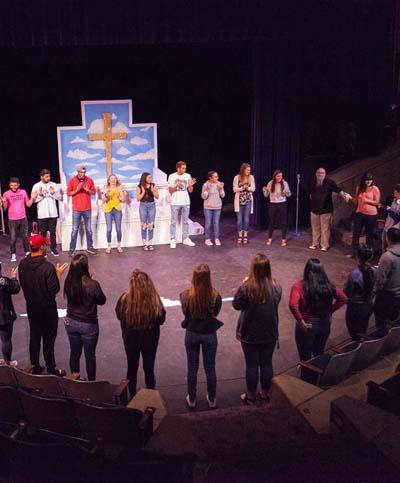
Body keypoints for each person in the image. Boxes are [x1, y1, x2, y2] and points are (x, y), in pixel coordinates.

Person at [232, 254, 281, 405]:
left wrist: (243, 285)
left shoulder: (247, 287)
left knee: (252, 365)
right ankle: (265, 394)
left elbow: (236, 305)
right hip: (269, 332)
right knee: (267, 363)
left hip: (250, 333)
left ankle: (251, 396)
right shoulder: (276, 287)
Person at [18, 234, 68, 375]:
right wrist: (58, 275)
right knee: (48, 340)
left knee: (34, 337)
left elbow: (22, 283)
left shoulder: (22, 264)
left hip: (32, 308)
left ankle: (34, 365)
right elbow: (53, 290)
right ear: (41, 247)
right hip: (47, 310)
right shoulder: (48, 267)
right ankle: (51, 368)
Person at [115, 270, 165, 397]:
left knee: (131, 368)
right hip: (150, 341)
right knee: (149, 368)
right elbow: (161, 319)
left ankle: (132, 396)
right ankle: (151, 397)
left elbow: (119, 315)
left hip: (130, 340)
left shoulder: (124, 299)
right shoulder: (154, 301)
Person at [180, 264, 222, 408]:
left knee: (192, 368)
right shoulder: (215, 296)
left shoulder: (185, 295)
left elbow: (185, 312)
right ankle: (212, 398)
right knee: (210, 368)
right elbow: (216, 313)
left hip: (192, 333)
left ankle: (191, 399)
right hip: (209, 334)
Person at [289, 258, 347, 361]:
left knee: (305, 356)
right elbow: (343, 298)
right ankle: (317, 375)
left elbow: (293, 304)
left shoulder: (299, 286)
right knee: (319, 353)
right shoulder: (328, 285)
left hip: (308, 324)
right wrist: (330, 310)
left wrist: (300, 321)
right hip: (324, 323)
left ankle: (307, 376)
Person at [63, 253, 106, 380]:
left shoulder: (68, 282)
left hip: (71, 322)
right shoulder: (92, 284)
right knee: (90, 356)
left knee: (74, 353)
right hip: (88, 325)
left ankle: (74, 380)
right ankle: (91, 386)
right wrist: (92, 281)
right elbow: (102, 301)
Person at [309, 167, 350, 252]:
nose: (320, 174)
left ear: (325, 174)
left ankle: (324, 245)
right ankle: (315, 244)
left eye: (322, 173)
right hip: (314, 209)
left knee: (325, 229)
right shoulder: (312, 182)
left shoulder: (329, 182)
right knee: (315, 228)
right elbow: (310, 194)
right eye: (319, 173)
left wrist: (344, 196)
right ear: (316, 174)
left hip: (326, 210)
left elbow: (338, 190)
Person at [343, 245, 375, 340]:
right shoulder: (374, 270)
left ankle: (357, 351)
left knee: (354, 333)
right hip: (369, 304)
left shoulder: (355, 274)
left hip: (356, 307)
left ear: (357, 257)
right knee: (362, 331)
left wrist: (345, 280)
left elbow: (347, 291)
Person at [374, 227, 400, 333]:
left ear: (387, 238)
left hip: (387, 297)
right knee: (391, 325)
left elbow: (380, 280)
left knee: (381, 325)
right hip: (398, 297)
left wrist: (374, 293)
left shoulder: (387, 257)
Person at [31, 169, 62, 257]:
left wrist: (53, 193)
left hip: (53, 213)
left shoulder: (53, 185)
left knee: (53, 232)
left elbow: (59, 197)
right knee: (43, 233)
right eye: (46, 176)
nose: (48, 178)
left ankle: (53, 248)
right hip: (42, 214)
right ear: (41, 177)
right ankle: (43, 250)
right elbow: (33, 200)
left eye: (49, 176)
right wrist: (40, 195)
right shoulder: (36, 186)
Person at [67, 165, 97, 256]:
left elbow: (94, 192)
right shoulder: (72, 180)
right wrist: (77, 190)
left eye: (84, 172)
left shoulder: (89, 180)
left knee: (89, 229)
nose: (82, 174)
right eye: (81, 172)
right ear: (77, 172)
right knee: (75, 230)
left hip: (87, 208)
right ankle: (72, 249)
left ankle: (90, 247)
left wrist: (88, 190)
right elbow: (68, 193)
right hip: (76, 209)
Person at [1, 177, 33, 262]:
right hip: (12, 219)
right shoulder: (6, 194)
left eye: (15, 185)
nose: (13, 187)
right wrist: (4, 202)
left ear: (18, 185)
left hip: (23, 218)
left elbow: (28, 204)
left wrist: (33, 198)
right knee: (13, 238)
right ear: (9, 185)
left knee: (25, 237)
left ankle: (26, 252)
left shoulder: (23, 192)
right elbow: (5, 208)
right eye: (11, 185)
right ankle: (13, 254)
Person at [349, 172, 380, 257]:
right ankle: (354, 253)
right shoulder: (359, 188)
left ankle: (368, 255)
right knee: (356, 233)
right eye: (367, 180)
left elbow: (377, 203)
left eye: (370, 180)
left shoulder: (375, 189)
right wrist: (349, 198)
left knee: (369, 234)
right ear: (364, 180)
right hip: (359, 213)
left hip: (371, 215)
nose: (369, 182)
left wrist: (367, 201)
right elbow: (356, 201)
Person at [168, 161, 197, 248]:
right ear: (178, 168)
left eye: (185, 168)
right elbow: (170, 191)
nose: (184, 170)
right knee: (173, 221)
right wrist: (176, 186)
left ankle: (185, 238)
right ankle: (173, 239)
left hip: (185, 201)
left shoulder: (187, 175)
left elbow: (190, 191)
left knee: (185, 222)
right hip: (175, 202)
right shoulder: (172, 176)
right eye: (183, 168)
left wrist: (191, 185)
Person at [262, 170, 291, 247]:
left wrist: (286, 193)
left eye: (281, 176)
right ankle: (270, 238)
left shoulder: (285, 183)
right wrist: (264, 190)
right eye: (278, 176)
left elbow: (289, 194)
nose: (280, 178)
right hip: (273, 204)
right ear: (275, 176)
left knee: (283, 222)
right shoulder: (270, 183)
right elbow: (266, 195)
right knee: (271, 222)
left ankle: (283, 240)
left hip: (282, 203)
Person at [0, 263, 20, 366]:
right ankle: (7, 362)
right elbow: (16, 289)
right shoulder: (4, 281)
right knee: (6, 340)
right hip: (4, 316)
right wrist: (14, 277)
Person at [101, 173, 126, 254]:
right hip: (108, 210)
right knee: (109, 229)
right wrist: (107, 194)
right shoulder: (106, 188)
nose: (113, 180)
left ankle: (118, 245)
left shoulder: (119, 187)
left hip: (117, 209)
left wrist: (121, 196)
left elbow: (122, 199)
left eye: (114, 178)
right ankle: (109, 245)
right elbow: (103, 200)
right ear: (109, 180)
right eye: (111, 178)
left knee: (118, 229)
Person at [233, 163, 256, 244]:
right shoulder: (237, 177)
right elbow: (234, 189)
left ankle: (245, 235)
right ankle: (240, 235)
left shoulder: (251, 177)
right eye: (247, 170)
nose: (248, 171)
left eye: (249, 170)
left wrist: (247, 188)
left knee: (246, 220)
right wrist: (242, 188)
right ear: (243, 170)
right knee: (239, 220)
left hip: (248, 200)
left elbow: (253, 189)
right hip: (239, 201)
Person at [201, 171, 225, 246]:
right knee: (208, 223)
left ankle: (216, 238)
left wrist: (221, 189)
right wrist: (207, 191)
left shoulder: (219, 184)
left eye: (217, 176)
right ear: (210, 177)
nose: (217, 178)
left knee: (216, 223)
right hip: (208, 207)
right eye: (215, 176)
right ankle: (207, 239)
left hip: (217, 207)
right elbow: (203, 197)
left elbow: (223, 195)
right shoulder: (205, 185)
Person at [136, 172, 159, 251]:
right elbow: (138, 199)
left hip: (152, 205)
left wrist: (153, 191)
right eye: (149, 177)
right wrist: (143, 192)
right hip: (143, 206)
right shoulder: (139, 186)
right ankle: (144, 244)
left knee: (151, 225)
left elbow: (157, 196)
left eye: (151, 177)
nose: (150, 179)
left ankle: (150, 243)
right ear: (144, 178)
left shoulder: (153, 185)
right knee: (143, 225)